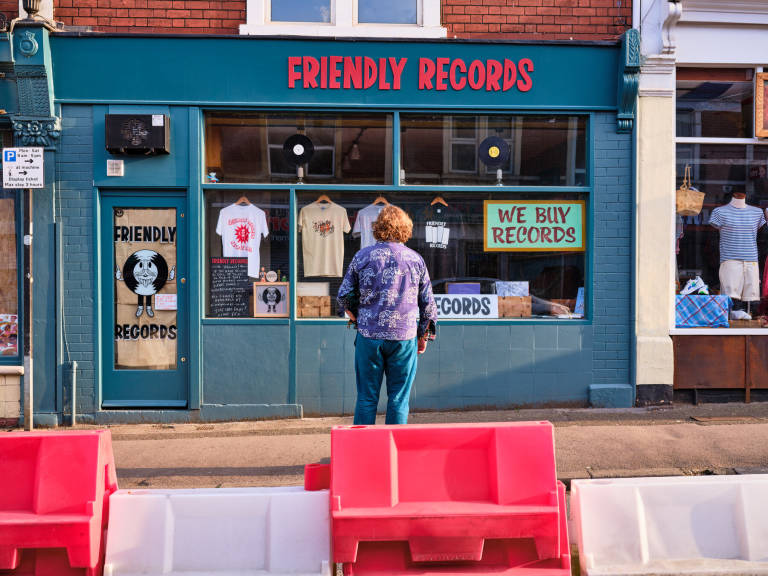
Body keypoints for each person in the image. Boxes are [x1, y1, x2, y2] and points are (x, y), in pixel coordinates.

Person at [337, 204, 437, 425]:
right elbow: (428, 304)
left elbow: (344, 296)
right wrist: (424, 336)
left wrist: (357, 316)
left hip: (370, 336)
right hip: (404, 337)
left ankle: (363, 453)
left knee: (366, 397)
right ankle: (392, 452)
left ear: (378, 227)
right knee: (399, 400)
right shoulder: (415, 260)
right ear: (405, 229)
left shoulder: (362, 257)